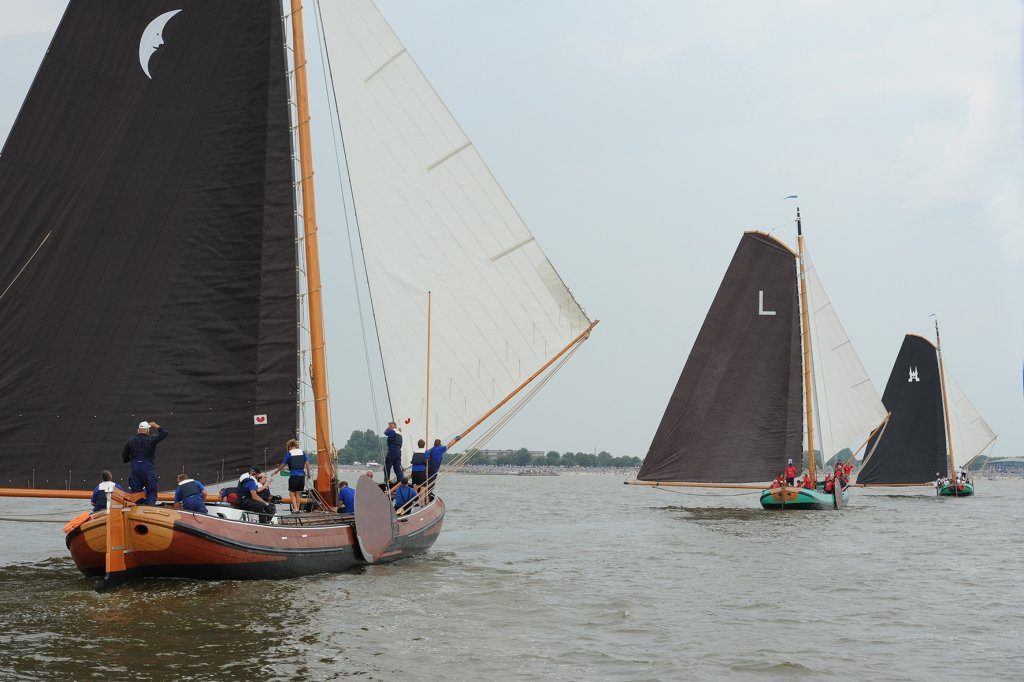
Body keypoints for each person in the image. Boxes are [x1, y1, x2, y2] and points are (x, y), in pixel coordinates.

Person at [121, 420, 168, 505]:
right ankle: (149, 507)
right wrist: (156, 425)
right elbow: (164, 433)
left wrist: (131, 460)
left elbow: (124, 456)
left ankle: (138, 509)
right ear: (147, 431)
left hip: (135, 470)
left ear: (138, 430)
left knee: (136, 493)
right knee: (152, 491)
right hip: (148, 469)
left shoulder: (131, 441)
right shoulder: (151, 439)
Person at [270, 439, 312, 513]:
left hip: (294, 476)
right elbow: (307, 464)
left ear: (289, 446)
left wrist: (276, 471)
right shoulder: (302, 452)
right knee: (298, 493)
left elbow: (283, 464)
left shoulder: (289, 453)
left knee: (291, 493)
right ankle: (298, 509)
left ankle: (295, 509)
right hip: (302, 476)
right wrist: (309, 474)